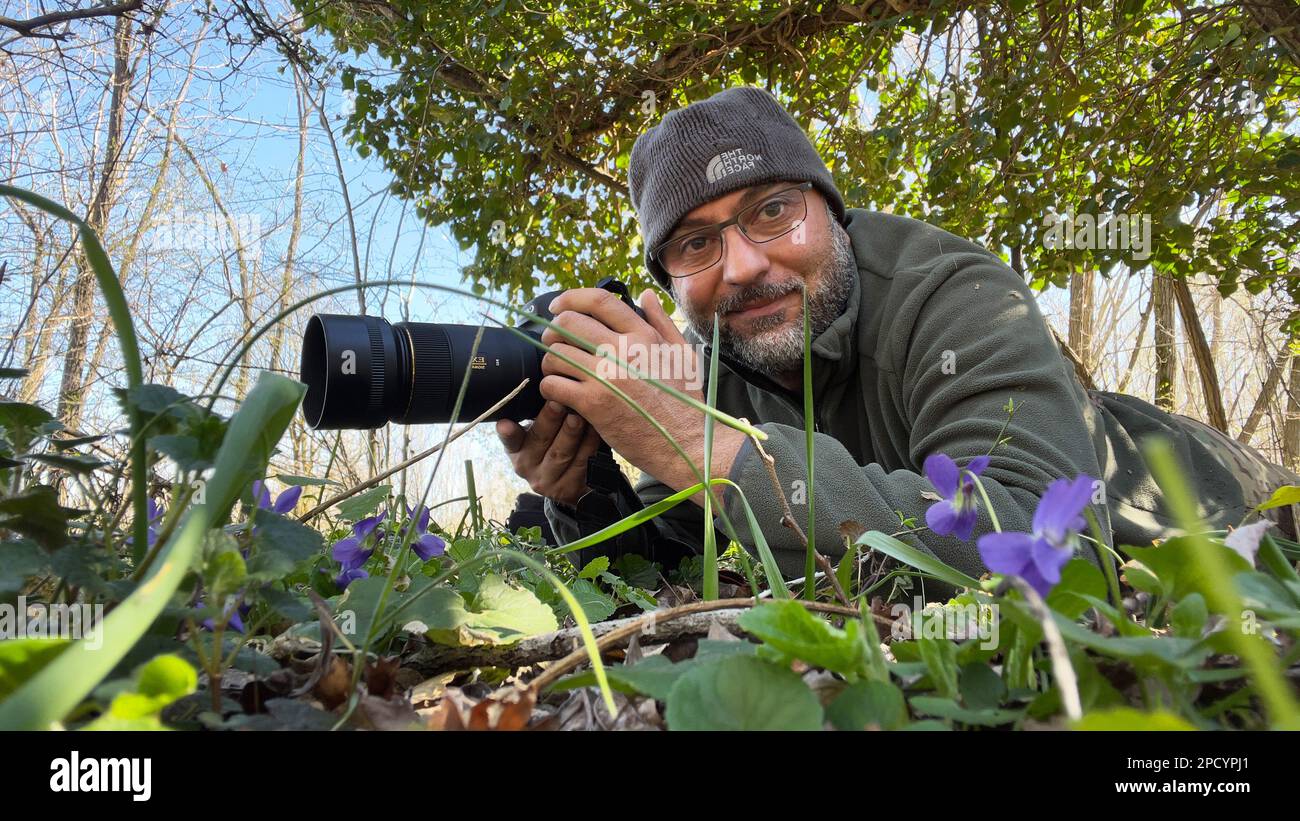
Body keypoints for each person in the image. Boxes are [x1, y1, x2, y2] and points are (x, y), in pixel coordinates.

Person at [496, 85, 1298, 581]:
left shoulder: (953, 292)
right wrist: (585, 490)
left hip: (1228, 497)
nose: (740, 265)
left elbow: (1035, 543)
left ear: (832, 214)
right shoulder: (709, 356)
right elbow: (685, 557)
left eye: (773, 211)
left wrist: (702, 446)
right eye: (695, 243)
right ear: (668, 276)